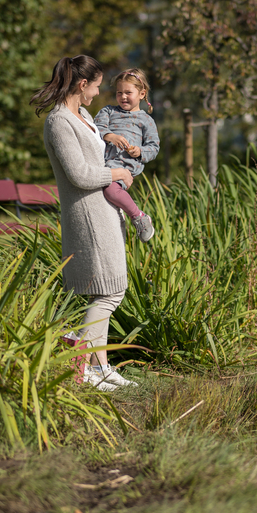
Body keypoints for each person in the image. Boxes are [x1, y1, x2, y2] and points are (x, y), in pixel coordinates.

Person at [31, 54, 137, 391]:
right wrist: (115, 173)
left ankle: (100, 366)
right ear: (81, 84)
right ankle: (82, 364)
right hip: (88, 215)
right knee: (108, 293)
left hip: (105, 211)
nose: (97, 93)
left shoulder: (85, 115)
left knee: (109, 289)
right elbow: (78, 174)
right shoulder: (59, 121)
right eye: (95, 86)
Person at [94, 68, 160, 243]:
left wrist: (139, 152)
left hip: (125, 167)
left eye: (128, 92)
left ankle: (138, 216)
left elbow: (153, 147)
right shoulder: (108, 111)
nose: (123, 97)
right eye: (119, 92)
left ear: (141, 93)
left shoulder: (146, 120)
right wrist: (110, 136)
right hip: (103, 163)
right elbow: (96, 128)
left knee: (110, 190)